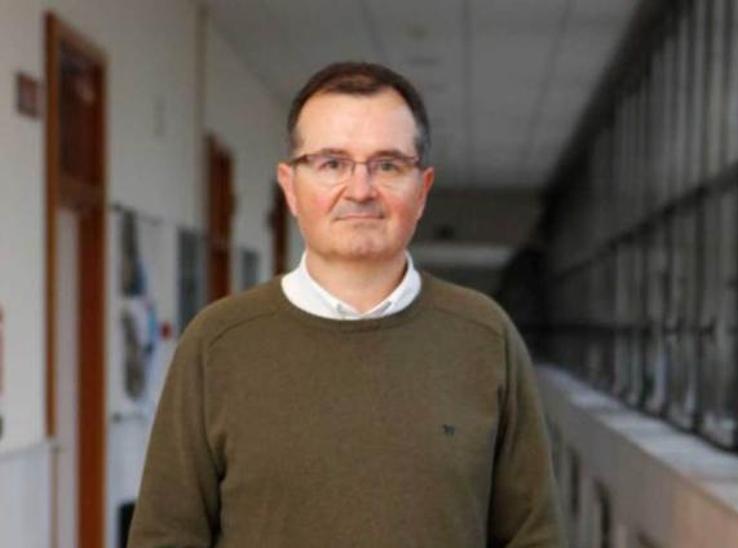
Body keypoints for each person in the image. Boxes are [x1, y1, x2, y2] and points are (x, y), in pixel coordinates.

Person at [129, 62, 563, 547]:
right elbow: (164, 538)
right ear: (291, 186)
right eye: (332, 163)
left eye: (388, 165)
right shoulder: (217, 342)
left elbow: (534, 538)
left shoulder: (485, 338)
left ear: (422, 190)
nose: (360, 190)